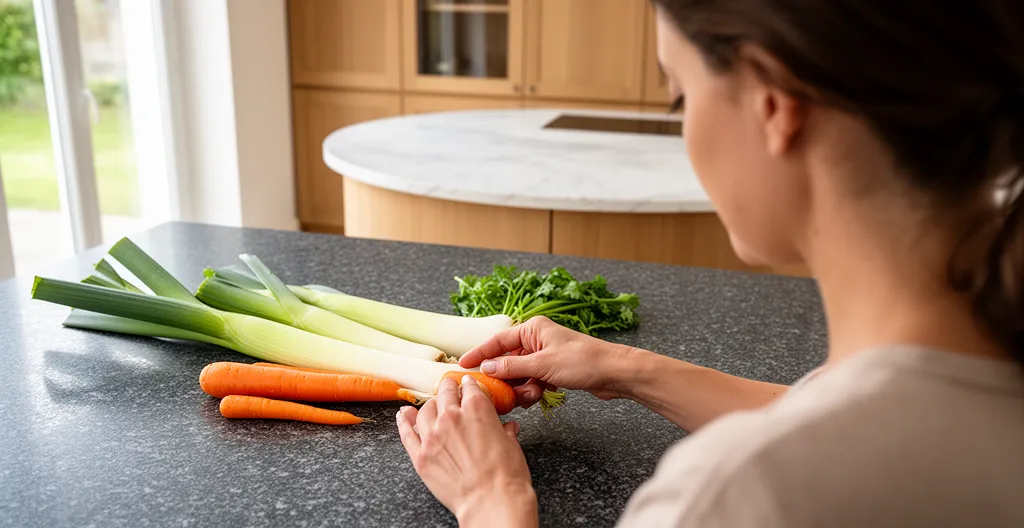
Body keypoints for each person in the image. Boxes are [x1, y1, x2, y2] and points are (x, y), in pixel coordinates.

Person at [395, 0, 1024, 525]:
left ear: (773, 105)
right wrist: (625, 367)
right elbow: (877, 428)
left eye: (681, 95)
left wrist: (491, 502)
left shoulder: (731, 496)